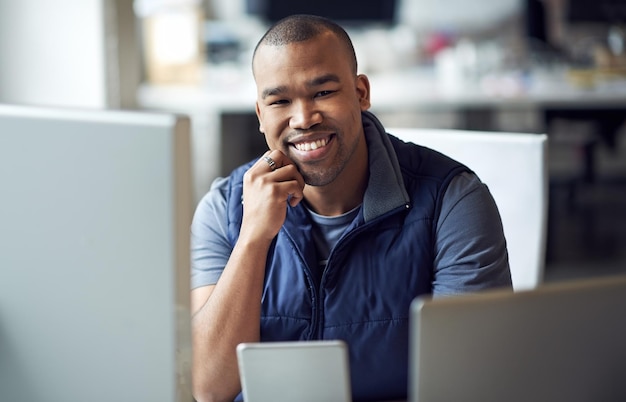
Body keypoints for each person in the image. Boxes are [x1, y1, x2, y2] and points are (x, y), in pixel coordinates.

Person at [190, 14, 511, 402]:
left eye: (323, 92)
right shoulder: (223, 207)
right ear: (261, 115)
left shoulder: (453, 200)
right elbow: (211, 388)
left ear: (360, 94)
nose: (304, 119)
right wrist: (253, 238)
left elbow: (468, 383)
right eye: (280, 101)